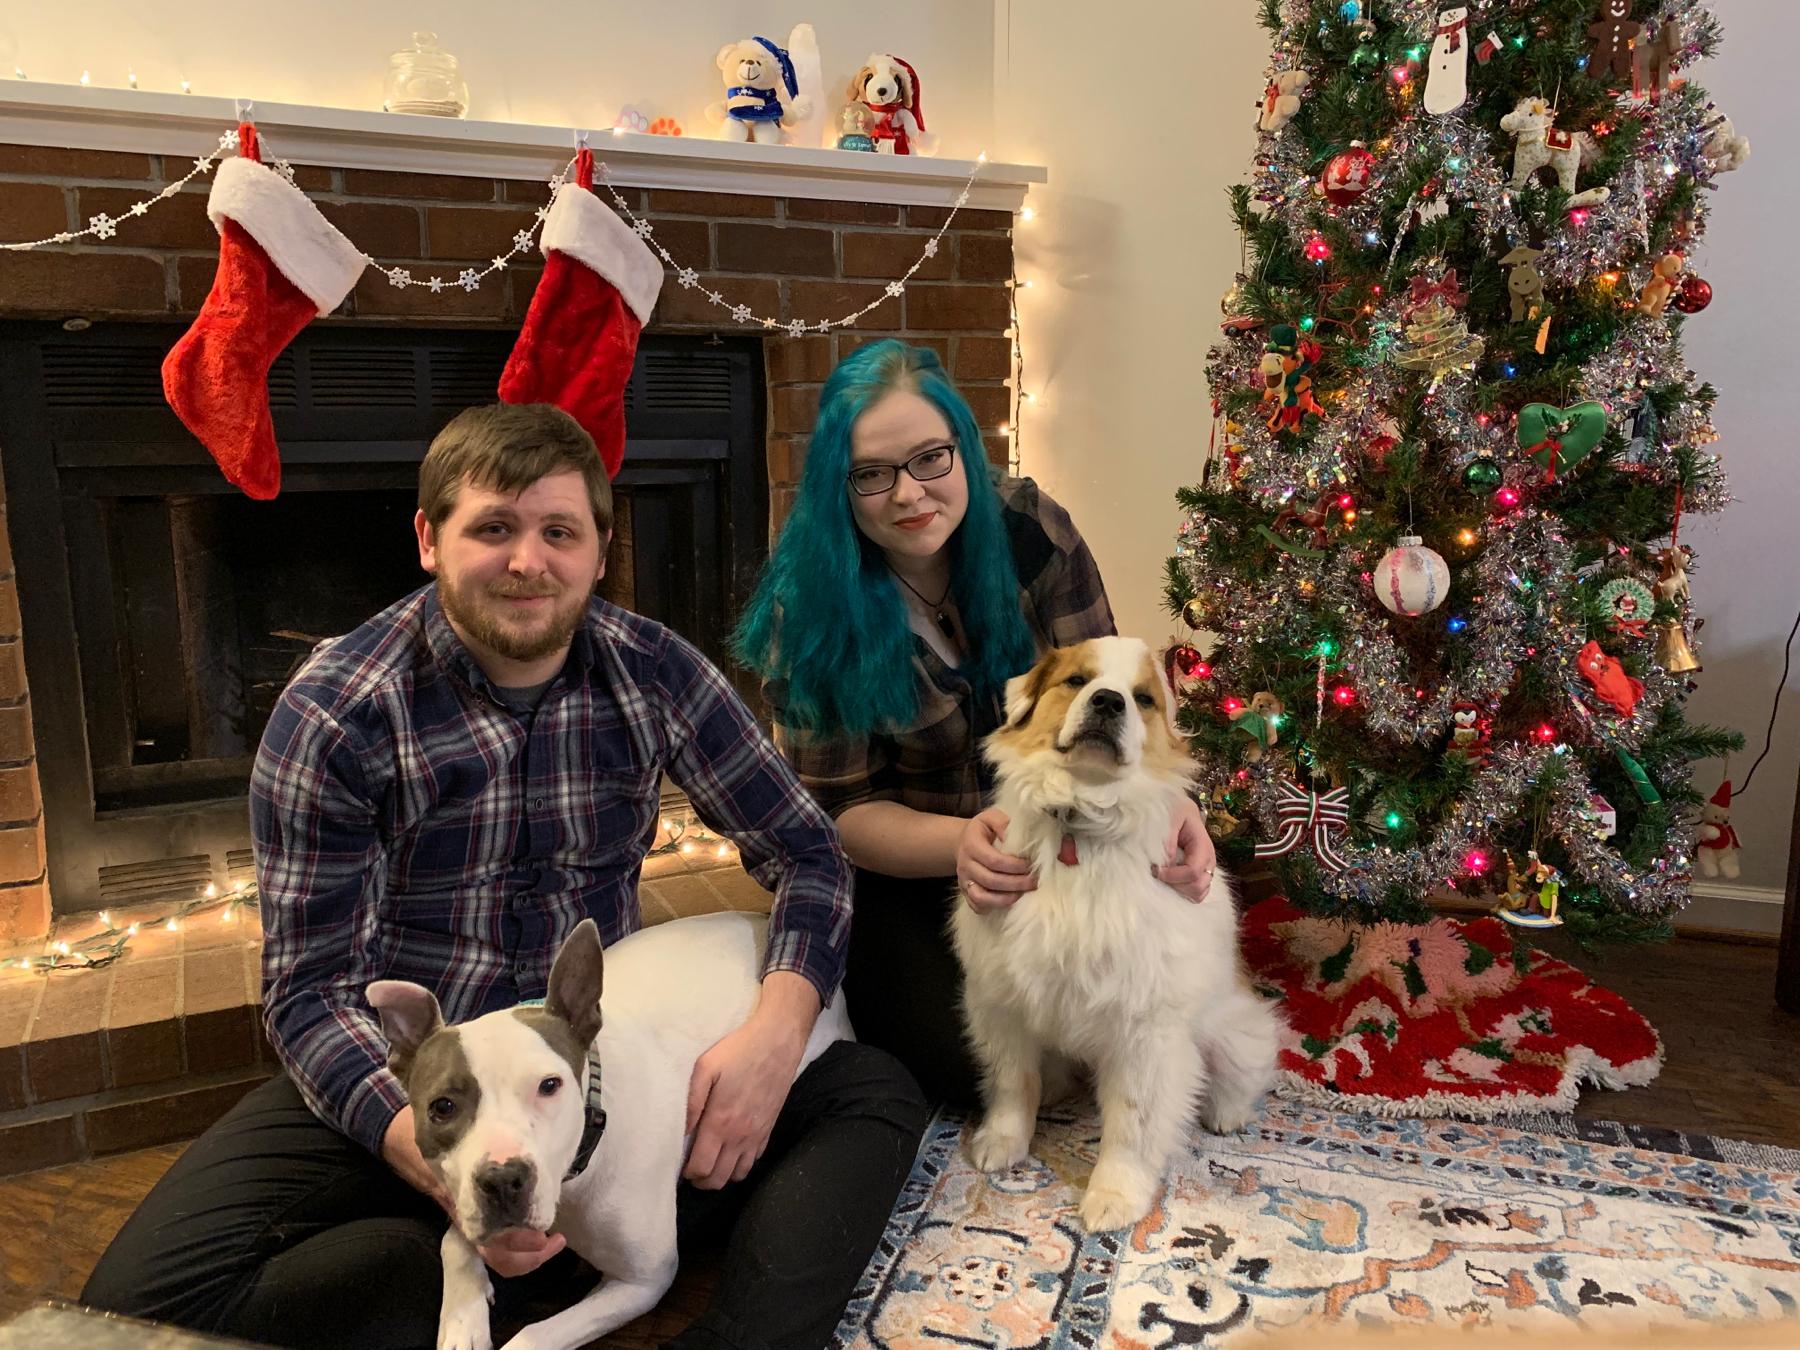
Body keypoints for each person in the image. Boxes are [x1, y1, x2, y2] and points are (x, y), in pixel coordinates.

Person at [83, 403, 927, 1350]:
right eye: (493, 528)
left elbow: (808, 851)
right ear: (428, 539)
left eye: (559, 531)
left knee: (874, 1094)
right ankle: (489, 1258)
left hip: (584, 1072)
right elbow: (308, 994)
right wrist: (440, 1163)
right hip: (423, 1081)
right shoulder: (336, 712)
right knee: (130, 1312)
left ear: (600, 552)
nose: (529, 561)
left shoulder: (655, 672)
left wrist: (777, 1030)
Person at [734, 340, 1217, 1106]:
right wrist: (965, 842)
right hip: (912, 860)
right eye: (872, 474)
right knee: (959, 1067)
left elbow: (1116, 693)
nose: (908, 494)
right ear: (840, 486)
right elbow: (834, 814)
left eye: (931, 457)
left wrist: (1178, 809)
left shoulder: (1033, 531)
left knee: (1153, 978)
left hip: (1067, 831)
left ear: (963, 445)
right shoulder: (812, 613)